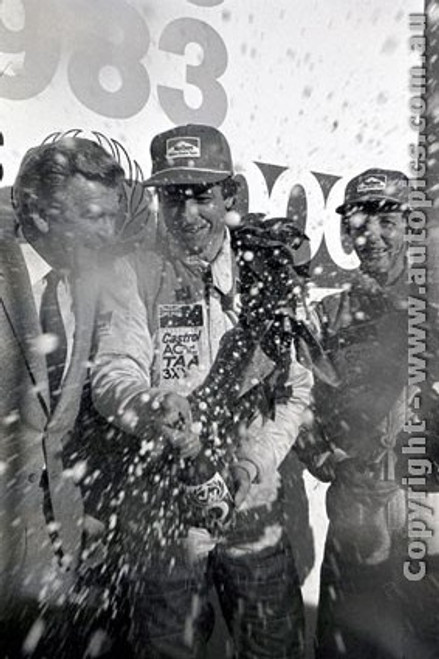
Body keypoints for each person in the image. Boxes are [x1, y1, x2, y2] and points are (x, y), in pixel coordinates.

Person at [91, 123, 313, 658]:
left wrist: (252, 465)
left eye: (201, 196)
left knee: (272, 648)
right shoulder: (134, 271)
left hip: (253, 506)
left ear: (229, 194)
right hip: (164, 511)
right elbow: (113, 370)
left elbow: (296, 390)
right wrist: (148, 406)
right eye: (173, 198)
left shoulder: (268, 272)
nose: (187, 215)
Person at [296, 168, 439, 658]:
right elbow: (298, 402)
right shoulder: (330, 314)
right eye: (359, 222)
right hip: (357, 521)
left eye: (387, 221)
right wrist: (323, 456)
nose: (371, 235)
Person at [1, 136, 126, 658]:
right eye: (93, 216)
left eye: (112, 216)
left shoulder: (90, 283)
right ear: (38, 212)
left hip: (54, 557)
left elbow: (60, 427)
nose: (108, 231)